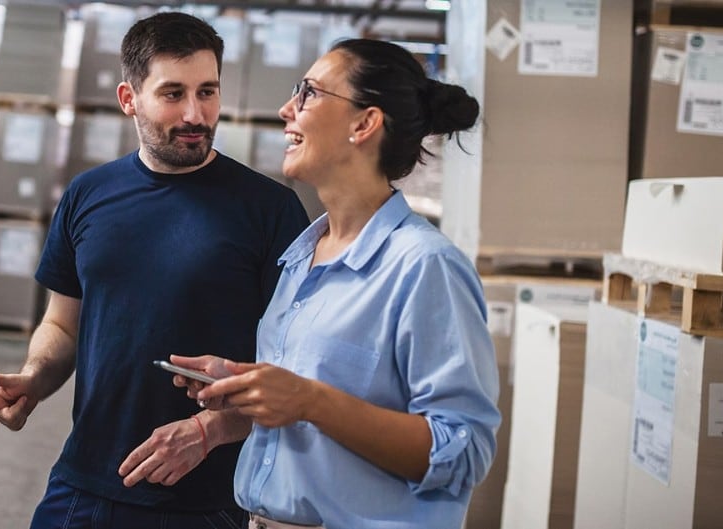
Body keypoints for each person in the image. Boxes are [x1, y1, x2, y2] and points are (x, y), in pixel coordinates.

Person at [0, 12, 309, 529]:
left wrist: (208, 429)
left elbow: (296, 367)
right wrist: (35, 377)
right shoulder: (88, 196)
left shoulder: (270, 211)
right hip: (84, 482)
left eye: (208, 91)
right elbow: (64, 323)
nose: (196, 113)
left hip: (209, 499)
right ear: (129, 99)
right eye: (173, 93)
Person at [169, 39, 500, 529]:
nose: (286, 110)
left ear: (364, 124)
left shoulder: (424, 266)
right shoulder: (303, 258)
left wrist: (310, 400)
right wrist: (251, 393)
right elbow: (311, 407)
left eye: (308, 94)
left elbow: (463, 454)